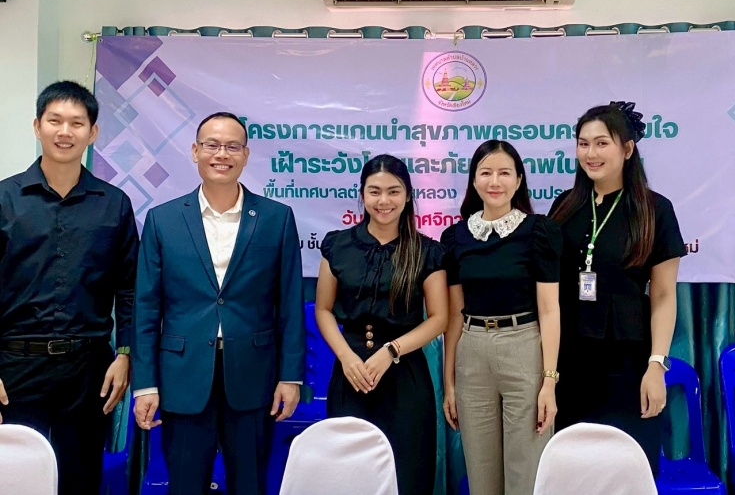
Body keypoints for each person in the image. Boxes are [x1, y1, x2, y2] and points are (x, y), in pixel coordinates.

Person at [133, 112, 304, 495]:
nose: (221, 154)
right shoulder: (163, 220)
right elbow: (146, 308)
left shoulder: (276, 218)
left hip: (253, 377)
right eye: (212, 145)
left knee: (250, 484)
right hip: (183, 377)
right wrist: (145, 384)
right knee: (185, 486)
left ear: (246, 155)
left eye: (232, 146)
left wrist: (290, 377)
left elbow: (290, 304)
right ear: (195, 151)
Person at [0, 80, 138, 495]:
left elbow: (130, 288)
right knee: (15, 480)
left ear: (92, 133)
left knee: (80, 478)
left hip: (88, 369)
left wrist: (125, 353)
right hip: (14, 366)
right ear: (37, 126)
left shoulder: (113, 203)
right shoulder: (5, 199)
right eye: (55, 121)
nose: (65, 132)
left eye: (77, 123)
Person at [548, 101, 685, 476]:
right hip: (571, 363)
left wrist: (656, 365)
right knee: (574, 470)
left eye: (601, 143)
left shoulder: (655, 210)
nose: (590, 153)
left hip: (628, 363)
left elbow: (663, 295)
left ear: (627, 149)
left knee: (626, 471)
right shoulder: (565, 207)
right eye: (583, 144)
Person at [315, 154, 448, 495]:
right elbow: (324, 310)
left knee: (407, 474)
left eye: (393, 191)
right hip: (351, 375)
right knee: (349, 476)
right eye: (374, 191)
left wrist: (391, 351)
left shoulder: (427, 251)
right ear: (362, 194)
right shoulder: (337, 245)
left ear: (408, 195)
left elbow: (439, 318)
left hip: (406, 377)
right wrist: (346, 357)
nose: (384, 201)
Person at [441, 140, 561, 495]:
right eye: (486, 173)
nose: (495, 181)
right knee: (481, 476)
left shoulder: (538, 231)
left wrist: (549, 382)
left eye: (505, 173)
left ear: (519, 180)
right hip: (471, 353)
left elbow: (550, 310)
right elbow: (454, 315)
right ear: (473, 180)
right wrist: (449, 383)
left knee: (526, 474)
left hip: (524, 347)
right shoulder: (455, 237)